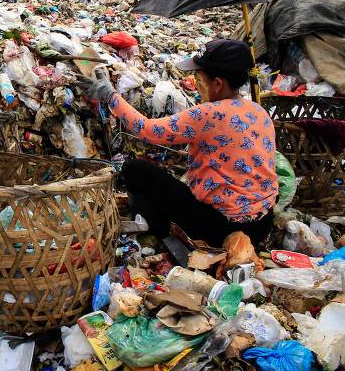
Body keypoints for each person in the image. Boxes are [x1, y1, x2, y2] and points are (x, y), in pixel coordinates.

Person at [81, 39, 278, 246]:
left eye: (199, 81)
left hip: (226, 231)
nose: (197, 87)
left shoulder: (207, 114)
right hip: (262, 225)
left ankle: (156, 230)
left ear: (218, 84)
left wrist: (110, 96)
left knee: (136, 169)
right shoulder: (259, 111)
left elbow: (147, 129)